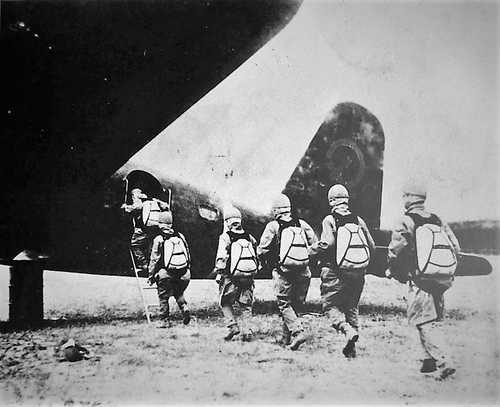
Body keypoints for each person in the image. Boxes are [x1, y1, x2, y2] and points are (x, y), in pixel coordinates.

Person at [387, 181, 460, 379]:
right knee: (432, 319)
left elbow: (395, 251)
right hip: (442, 279)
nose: (403, 199)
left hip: (420, 280)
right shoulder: (437, 220)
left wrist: (394, 272)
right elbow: (456, 248)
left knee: (423, 321)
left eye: (404, 195)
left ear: (411, 197)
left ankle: (445, 362)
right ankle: (428, 362)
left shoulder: (405, 221)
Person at [310, 184, 375, 358]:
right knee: (352, 307)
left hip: (335, 272)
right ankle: (351, 348)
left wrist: (311, 251)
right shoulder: (358, 220)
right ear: (347, 199)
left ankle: (346, 330)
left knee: (330, 306)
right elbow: (372, 246)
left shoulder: (329, 220)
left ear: (331, 201)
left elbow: (328, 244)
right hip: (358, 273)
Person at [257, 194, 318, 350]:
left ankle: (298, 332)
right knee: (295, 305)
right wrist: (302, 257)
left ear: (276, 210)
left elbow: (262, 249)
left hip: (284, 271)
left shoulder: (273, 226)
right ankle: (286, 340)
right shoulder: (302, 224)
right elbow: (316, 245)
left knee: (284, 304)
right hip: (304, 272)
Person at [213, 206, 259, 341]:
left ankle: (232, 326)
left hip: (230, 277)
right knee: (246, 305)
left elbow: (221, 257)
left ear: (227, 222)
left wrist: (219, 272)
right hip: (248, 276)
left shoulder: (225, 237)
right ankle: (248, 331)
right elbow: (256, 252)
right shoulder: (249, 237)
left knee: (224, 302)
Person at [147, 211, 191, 328]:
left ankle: (164, 321)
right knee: (178, 292)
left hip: (167, 274)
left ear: (160, 224)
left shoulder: (159, 239)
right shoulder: (180, 236)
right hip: (184, 274)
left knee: (163, 296)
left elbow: (154, 260)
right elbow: (188, 255)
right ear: (171, 223)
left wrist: (151, 275)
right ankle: (184, 307)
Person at [121, 188, 169, 275]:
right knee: (151, 248)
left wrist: (125, 207)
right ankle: (152, 268)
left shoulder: (138, 201)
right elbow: (166, 206)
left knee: (135, 245)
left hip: (142, 229)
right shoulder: (153, 200)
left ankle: (143, 265)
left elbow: (131, 209)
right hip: (154, 229)